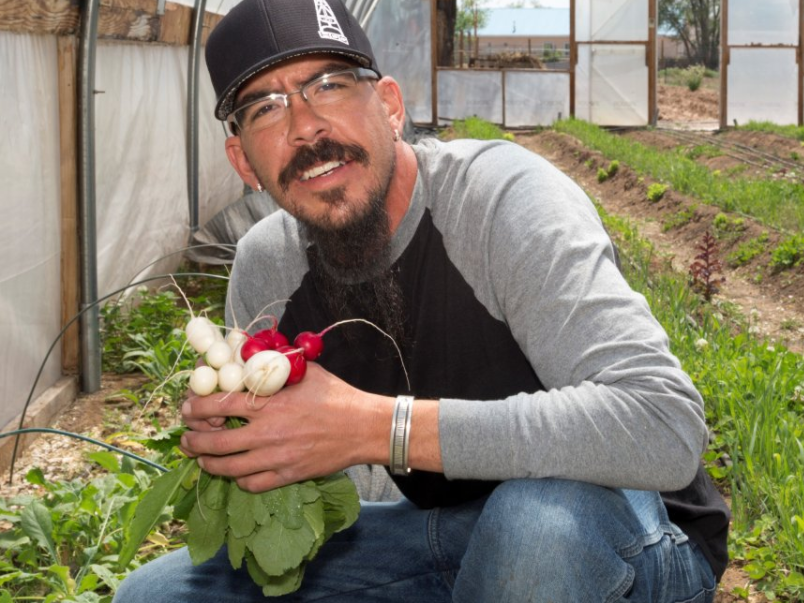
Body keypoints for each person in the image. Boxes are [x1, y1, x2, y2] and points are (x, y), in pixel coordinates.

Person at [115, 0, 729, 600]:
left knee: (532, 527)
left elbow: (663, 423)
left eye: (327, 85)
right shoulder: (265, 266)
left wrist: (382, 428)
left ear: (388, 106)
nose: (304, 127)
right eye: (265, 109)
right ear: (243, 161)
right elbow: (329, 487)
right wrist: (247, 445)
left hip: (617, 531)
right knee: (157, 594)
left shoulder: (500, 201)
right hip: (432, 536)